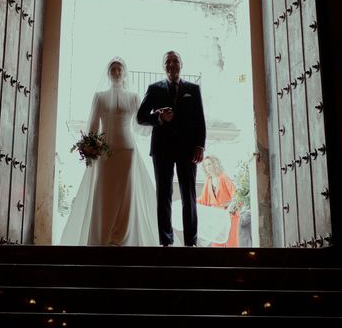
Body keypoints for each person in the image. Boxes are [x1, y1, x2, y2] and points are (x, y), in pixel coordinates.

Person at [60, 57, 159, 246]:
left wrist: (157, 120)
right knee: (105, 194)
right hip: (104, 153)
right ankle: (102, 237)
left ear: (124, 73)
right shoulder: (99, 96)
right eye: (113, 69)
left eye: (119, 69)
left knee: (125, 194)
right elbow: (93, 125)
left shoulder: (133, 97)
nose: (116, 72)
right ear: (108, 73)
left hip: (127, 150)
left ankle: (123, 238)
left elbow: (140, 126)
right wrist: (90, 146)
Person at [137, 50, 206, 247]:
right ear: (164, 66)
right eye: (167, 61)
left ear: (181, 64)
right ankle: (166, 241)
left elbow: (199, 120)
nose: (171, 64)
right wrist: (158, 117)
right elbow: (141, 117)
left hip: (188, 150)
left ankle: (190, 242)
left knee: (189, 195)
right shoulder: (154, 88)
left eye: (175, 61)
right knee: (163, 194)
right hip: (162, 149)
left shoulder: (193, 89)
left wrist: (200, 146)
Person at [197, 155, 239, 247]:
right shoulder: (208, 180)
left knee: (231, 243)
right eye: (205, 165)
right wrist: (191, 201)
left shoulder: (223, 177)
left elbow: (236, 196)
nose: (207, 167)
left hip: (229, 216)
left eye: (209, 164)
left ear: (215, 164)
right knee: (216, 243)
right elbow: (203, 199)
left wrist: (227, 205)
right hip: (217, 216)